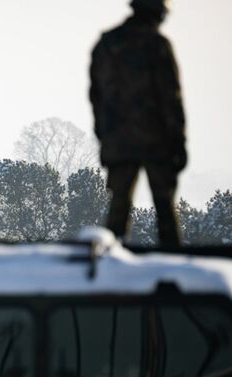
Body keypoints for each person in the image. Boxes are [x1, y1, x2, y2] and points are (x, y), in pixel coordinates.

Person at [89, 0, 186, 248]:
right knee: (165, 209)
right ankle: (172, 261)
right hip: (156, 140)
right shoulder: (157, 45)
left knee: (117, 211)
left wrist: (103, 134)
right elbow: (170, 97)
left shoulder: (107, 44)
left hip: (118, 140)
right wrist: (178, 140)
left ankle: (111, 259)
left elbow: (96, 95)